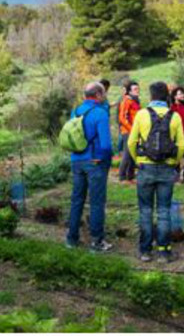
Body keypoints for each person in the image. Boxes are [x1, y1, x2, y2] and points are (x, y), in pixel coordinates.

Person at [128, 81, 184, 263]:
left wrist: (138, 161)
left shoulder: (141, 115)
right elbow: (182, 145)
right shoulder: (175, 116)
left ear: (151, 95)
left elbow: (131, 142)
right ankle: (163, 252)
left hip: (146, 167)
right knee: (163, 211)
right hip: (166, 169)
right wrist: (173, 162)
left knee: (145, 210)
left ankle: (145, 251)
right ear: (166, 96)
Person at [66, 82, 114, 252]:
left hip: (76, 160)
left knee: (77, 200)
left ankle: (72, 239)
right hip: (95, 162)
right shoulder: (100, 113)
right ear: (99, 95)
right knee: (96, 202)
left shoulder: (76, 111)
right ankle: (97, 242)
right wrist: (104, 160)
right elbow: (106, 145)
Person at [118, 81, 141, 183]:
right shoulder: (126, 100)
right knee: (127, 153)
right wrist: (132, 130)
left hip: (134, 131)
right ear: (129, 91)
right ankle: (122, 177)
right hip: (128, 131)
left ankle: (130, 176)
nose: (138, 91)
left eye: (138, 89)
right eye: (135, 89)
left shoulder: (136, 100)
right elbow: (122, 118)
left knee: (133, 153)